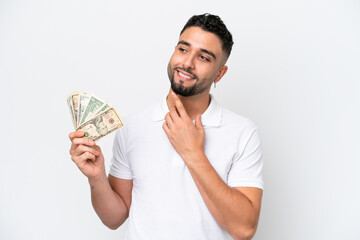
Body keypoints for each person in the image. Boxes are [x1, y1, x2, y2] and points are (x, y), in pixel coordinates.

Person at [69, 13, 263, 240]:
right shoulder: (133, 126)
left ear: (220, 73)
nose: (187, 63)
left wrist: (192, 153)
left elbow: (244, 229)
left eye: (204, 57)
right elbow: (114, 218)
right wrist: (97, 178)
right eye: (183, 49)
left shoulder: (242, 133)